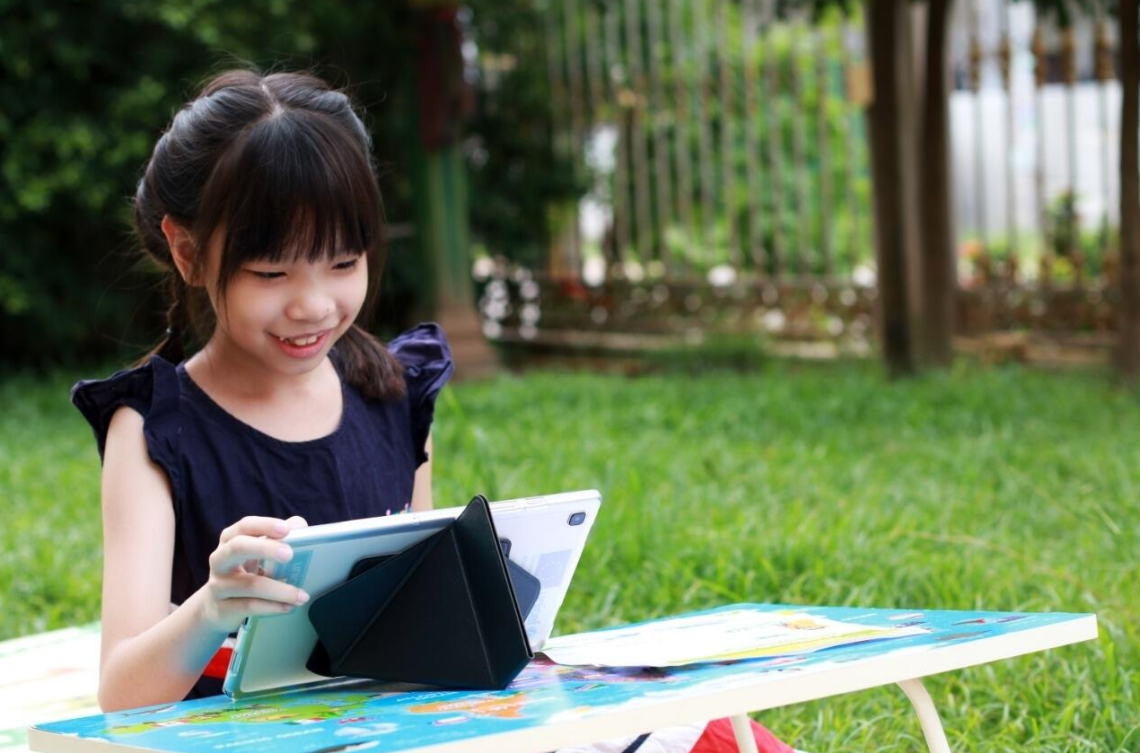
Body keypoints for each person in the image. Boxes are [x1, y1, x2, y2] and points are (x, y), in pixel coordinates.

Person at [72, 69, 453, 711]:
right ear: (188, 252)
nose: (313, 306)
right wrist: (212, 608)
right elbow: (121, 695)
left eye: (343, 263)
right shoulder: (153, 431)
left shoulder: (395, 393)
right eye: (271, 271)